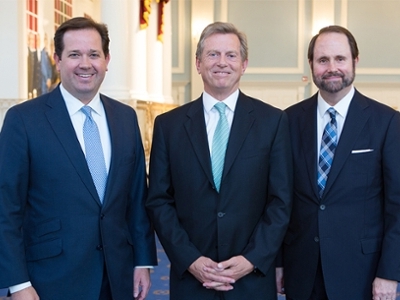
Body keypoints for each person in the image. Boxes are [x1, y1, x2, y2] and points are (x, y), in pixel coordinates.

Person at [0, 17, 157, 300]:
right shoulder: (23, 121)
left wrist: (142, 261)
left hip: (118, 277)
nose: (86, 64)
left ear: (107, 60)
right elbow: (5, 208)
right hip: (49, 281)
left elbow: (136, 199)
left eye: (94, 54)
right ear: (57, 60)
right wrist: (17, 284)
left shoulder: (125, 118)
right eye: (74, 54)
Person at [146, 22, 292, 300]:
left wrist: (252, 259)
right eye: (213, 55)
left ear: (244, 64)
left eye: (231, 55)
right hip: (192, 279)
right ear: (198, 63)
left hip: (252, 279)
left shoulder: (273, 122)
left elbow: (281, 201)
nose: (221, 62)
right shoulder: (169, 126)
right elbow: (159, 200)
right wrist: (190, 260)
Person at [277, 25, 400, 300]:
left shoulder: (387, 123)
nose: (332, 67)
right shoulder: (288, 121)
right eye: (323, 60)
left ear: (355, 61)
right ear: (311, 65)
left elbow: (397, 205)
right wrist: (278, 262)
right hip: (302, 270)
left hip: (362, 273)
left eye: (340, 59)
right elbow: (279, 198)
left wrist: (390, 273)